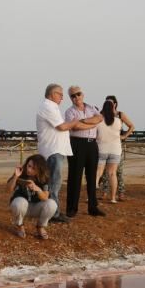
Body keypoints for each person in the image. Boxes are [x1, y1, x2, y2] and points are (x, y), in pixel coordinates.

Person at [35, 84, 79, 224]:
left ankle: (48, 210)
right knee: (54, 183)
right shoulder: (48, 107)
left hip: (54, 149)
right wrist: (77, 121)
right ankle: (53, 213)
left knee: (50, 183)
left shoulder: (52, 107)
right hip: (53, 150)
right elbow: (61, 126)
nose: (62, 97)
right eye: (59, 94)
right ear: (52, 94)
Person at [64, 85, 104, 218]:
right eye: (73, 96)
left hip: (92, 145)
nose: (76, 97)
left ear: (83, 94)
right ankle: (71, 208)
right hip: (77, 144)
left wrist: (83, 121)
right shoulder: (69, 112)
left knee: (92, 177)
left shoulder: (92, 108)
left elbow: (99, 118)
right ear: (70, 98)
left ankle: (93, 207)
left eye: (78, 94)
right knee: (75, 177)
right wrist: (91, 123)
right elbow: (75, 127)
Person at [7, 153, 58, 240]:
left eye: (33, 168)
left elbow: (45, 197)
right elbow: (9, 190)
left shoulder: (44, 178)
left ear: (39, 170)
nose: (29, 170)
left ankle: (40, 227)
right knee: (18, 203)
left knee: (52, 204)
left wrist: (37, 189)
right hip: (22, 205)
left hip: (36, 207)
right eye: (29, 166)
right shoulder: (21, 172)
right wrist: (15, 177)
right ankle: (20, 225)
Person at [98, 95, 134, 201]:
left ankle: (120, 192)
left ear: (115, 104)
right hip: (109, 146)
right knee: (105, 173)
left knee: (119, 171)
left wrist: (124, 136)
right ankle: (105, 192)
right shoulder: (101, 114)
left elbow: (131, 126)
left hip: (115, 145)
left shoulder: (120, 115)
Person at [95, 100, 123, 204]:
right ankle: (113, 198)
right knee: (112, 174)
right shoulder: (118, 121)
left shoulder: (99, 121)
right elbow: (119, 133)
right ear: (113, 108)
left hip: (101, 149)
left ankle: (91, 197)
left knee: (97, 173)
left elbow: (96, 135)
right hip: (115, 150)